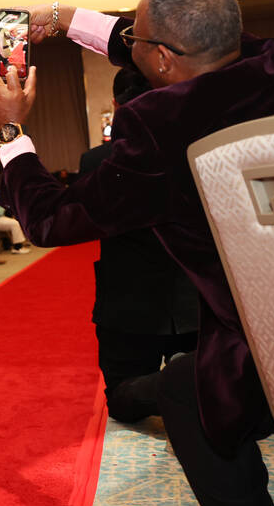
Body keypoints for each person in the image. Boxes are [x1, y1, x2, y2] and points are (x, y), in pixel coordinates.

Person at [0, 0, 274, 506]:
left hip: (270, 348)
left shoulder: (162, 129)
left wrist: (11, 131)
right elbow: (166, 43)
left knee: (188, 393)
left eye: (137, 38)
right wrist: (65, 18)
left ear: (162, 60)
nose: (128, 41)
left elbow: (49, 219)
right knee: (183, 383)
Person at [77, 68, 198, 423]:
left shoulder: (96, 162)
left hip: (129, 309)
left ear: (115, 104)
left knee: (121, 400)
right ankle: (192, 382)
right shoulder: (196, 150)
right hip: (196, 306)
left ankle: (172, 386)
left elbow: (86, 224)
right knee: (223, 381)